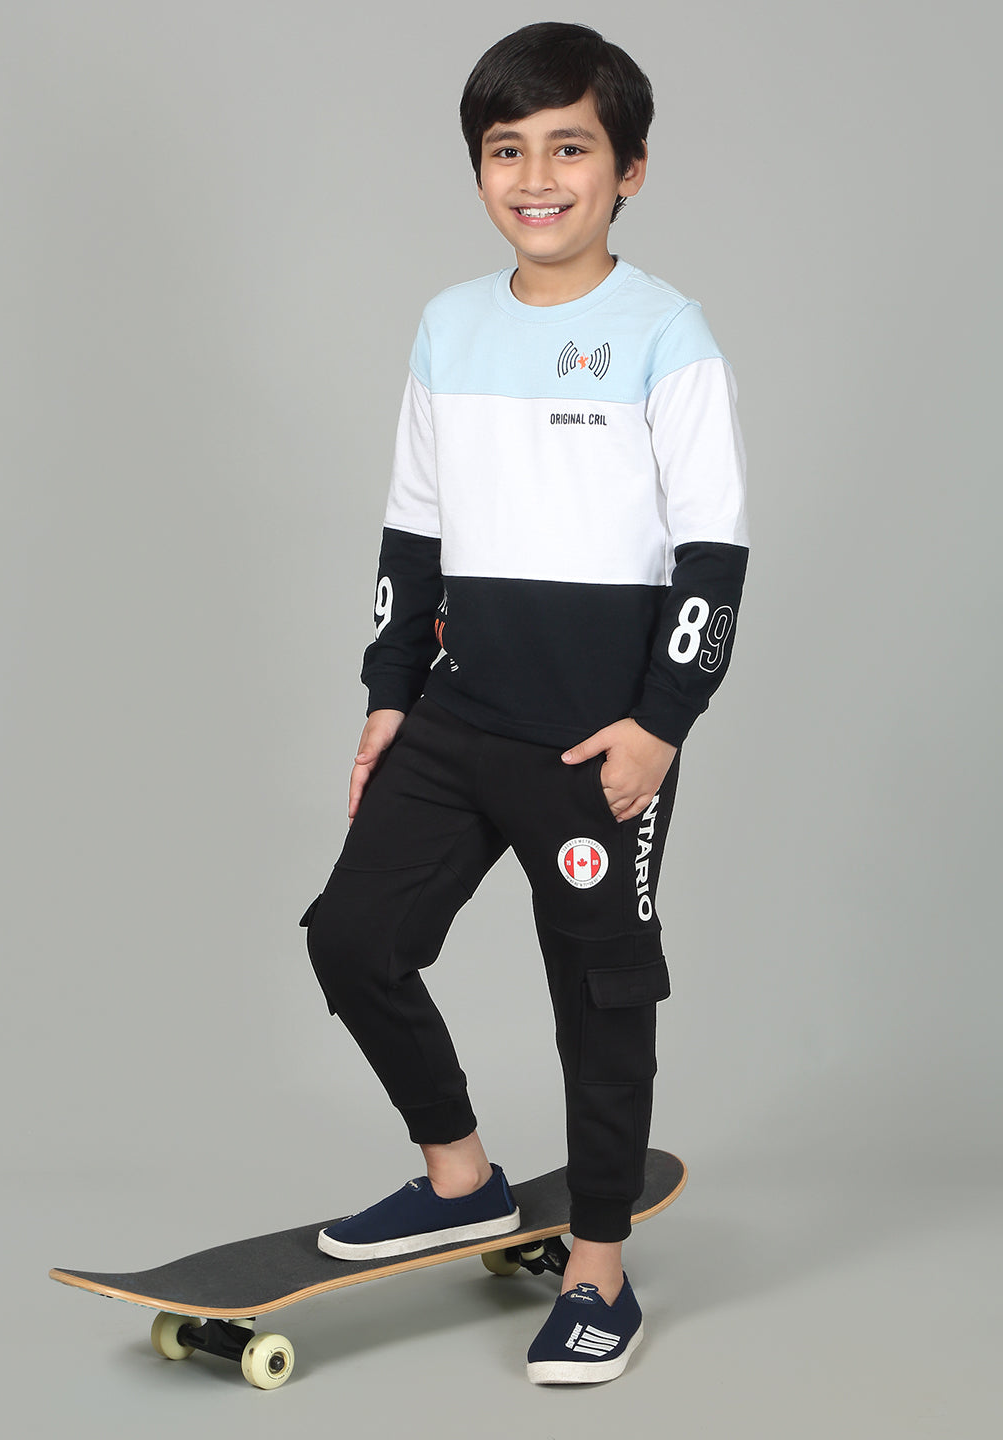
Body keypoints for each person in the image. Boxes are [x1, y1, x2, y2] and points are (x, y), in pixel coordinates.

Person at [298, 20, 749, 1384]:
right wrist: (389, 696)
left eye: (570, 148)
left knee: (598, 995)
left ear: (629, 170)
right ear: (480, 168)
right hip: (458, 717)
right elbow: (412, 535)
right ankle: (461, 1179)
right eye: (508, 150)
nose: (537, 178)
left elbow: (713, 559)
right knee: (353, 938)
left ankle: (599, 1271)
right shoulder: (450, 326)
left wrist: (661, 725)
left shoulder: (667, 334)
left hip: (598, 739)